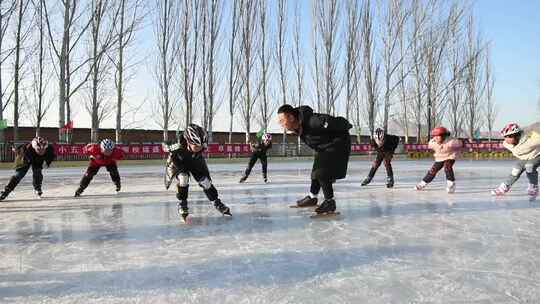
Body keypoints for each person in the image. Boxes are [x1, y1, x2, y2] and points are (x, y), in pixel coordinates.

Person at [277, 104, 352, 215]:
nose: (281, 124)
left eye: (282, 120)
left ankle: (329, 202)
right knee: (315, 171)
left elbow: (335, 122)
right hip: (324, 147)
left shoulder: (313, 121)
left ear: (291, 118)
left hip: (339, 143)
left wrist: (346, 125)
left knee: (321, 171)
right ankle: (312, 197)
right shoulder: (299, 127)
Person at [164, 124, 231, 221]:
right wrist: (168, 147)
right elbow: (164, 145)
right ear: (187, 141)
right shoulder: (177, 145)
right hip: (180, 162)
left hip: (195, 161)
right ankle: (182, 203)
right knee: (183, 178)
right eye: (196, 145)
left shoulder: (201, 146)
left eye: (201, 146)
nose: (199, 148)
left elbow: (204, 173)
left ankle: (217, 202)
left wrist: (207, 179)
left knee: (205, 182)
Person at [492, 123, 540, 197]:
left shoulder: (531, 141)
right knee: (516, 170)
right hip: (525, 157)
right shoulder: (506, 144)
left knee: (529, 166)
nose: (506, 139)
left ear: (516, 135)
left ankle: (534, 187)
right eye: (505, 137)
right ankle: (504, 187)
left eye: (509, 136)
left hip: (537, 155)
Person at [414, 127, 462, 193]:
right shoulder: (432, 143)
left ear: (443, 136)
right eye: (434, 136)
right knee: (432, 170)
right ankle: (423, 183)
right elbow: (429, 145)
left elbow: (460, 144)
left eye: (438, 136)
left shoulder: (451, 142)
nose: (436, 138)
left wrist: (458, 147)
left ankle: (451, 184)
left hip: (450, 156)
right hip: (439, 157)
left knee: (447, 167)